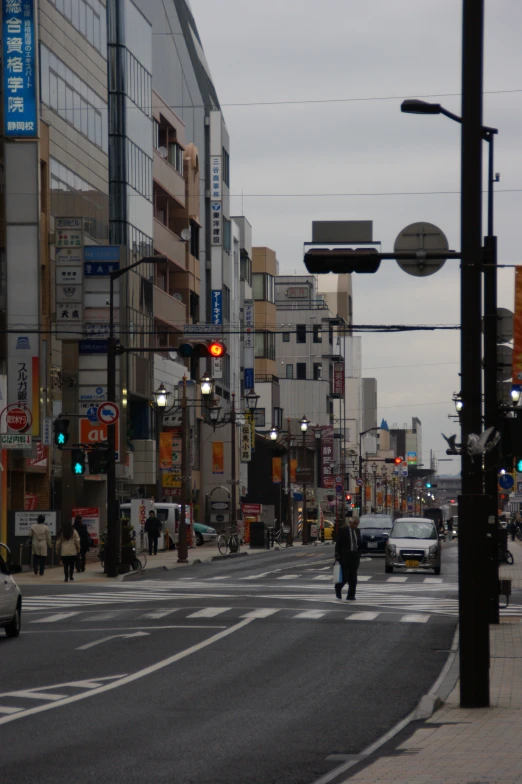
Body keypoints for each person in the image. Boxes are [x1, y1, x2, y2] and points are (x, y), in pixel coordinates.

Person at [334, 517, 361, 601]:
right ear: (350, 523)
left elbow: (359, 543)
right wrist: (337, 555)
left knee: (353, 578)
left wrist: (359, 553)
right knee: (345, 576)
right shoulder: (343, 530)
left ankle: (351, 595)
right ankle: (338, 587)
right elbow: (338, 544)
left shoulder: (357, 531)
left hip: (354, 556)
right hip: (345, 556)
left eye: (357, 524)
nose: (355, 526)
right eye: (354, 524)